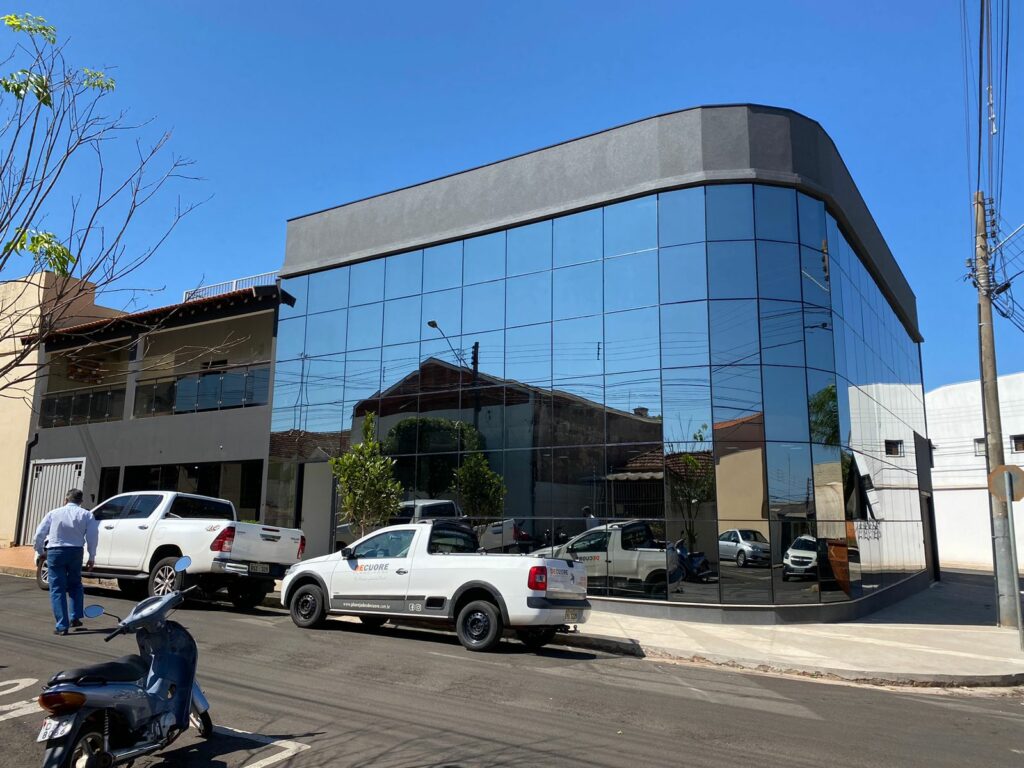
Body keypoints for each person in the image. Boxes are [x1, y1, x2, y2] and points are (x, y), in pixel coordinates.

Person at [33, 489, 98, 636]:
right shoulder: (87, 514)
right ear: (81, 502)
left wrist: (40, 550)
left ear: (65, 500)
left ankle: (62, 625)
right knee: (75, 584)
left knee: (57, 588)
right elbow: (93, 536)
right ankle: (75, 617)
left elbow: (39, 534)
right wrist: (92, 556)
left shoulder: (54, 513)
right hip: (76, 552)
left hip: (55, 551)